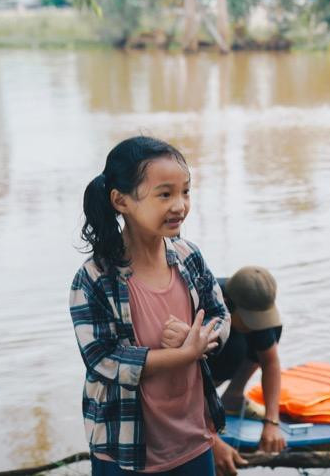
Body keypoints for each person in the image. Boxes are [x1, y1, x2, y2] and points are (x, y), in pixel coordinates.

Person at [70, 136, 230, 475]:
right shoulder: (95, 278)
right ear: (121, 201)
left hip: (194, 439)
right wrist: (184, 354)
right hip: (124, 449)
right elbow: (103, 359)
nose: (179, 206)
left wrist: (198, 336)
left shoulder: (188, 256)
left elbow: (219, 314)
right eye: (165, 194)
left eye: (185, 192)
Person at [165, 267, 286, 475]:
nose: (256, 325)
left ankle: (233, 397)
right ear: (228, 303)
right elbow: (173, 387)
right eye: (251, 319)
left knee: (268, 334)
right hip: (187, 373)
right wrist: (212, 441)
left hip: (224, 348)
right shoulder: (199, 305)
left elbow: (270, 362)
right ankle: (207, 409)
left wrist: (272, 422)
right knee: (234, 348)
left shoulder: (253, 303)